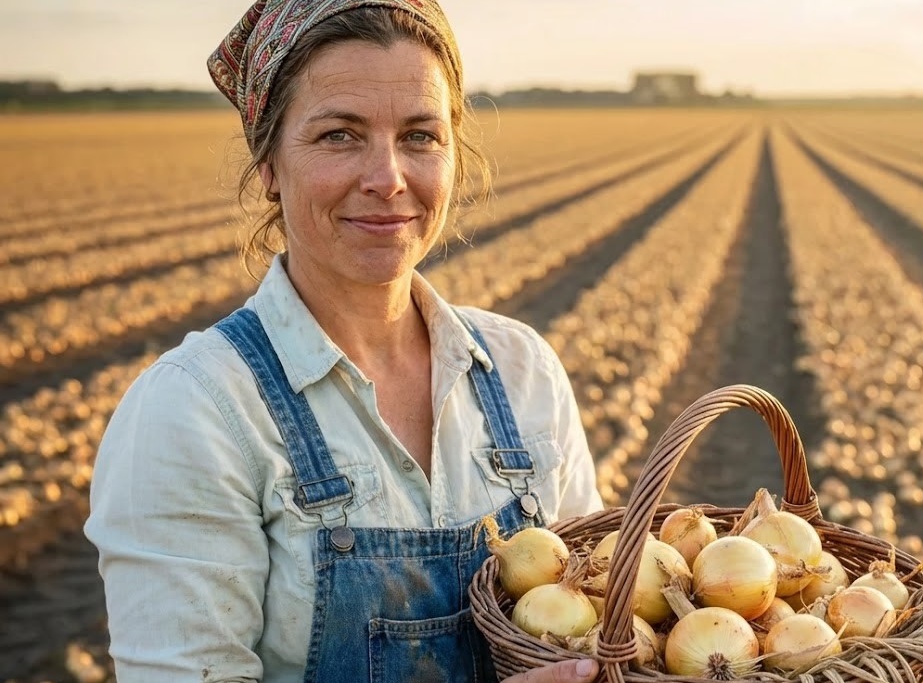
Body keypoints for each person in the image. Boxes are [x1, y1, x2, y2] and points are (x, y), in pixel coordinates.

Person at [83, 1, 605, 682]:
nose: (387, 177)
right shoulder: (197, 410)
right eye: (339, 135)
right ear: (268, 162)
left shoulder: (521, 368)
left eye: (420, 135)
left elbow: (596, 609)